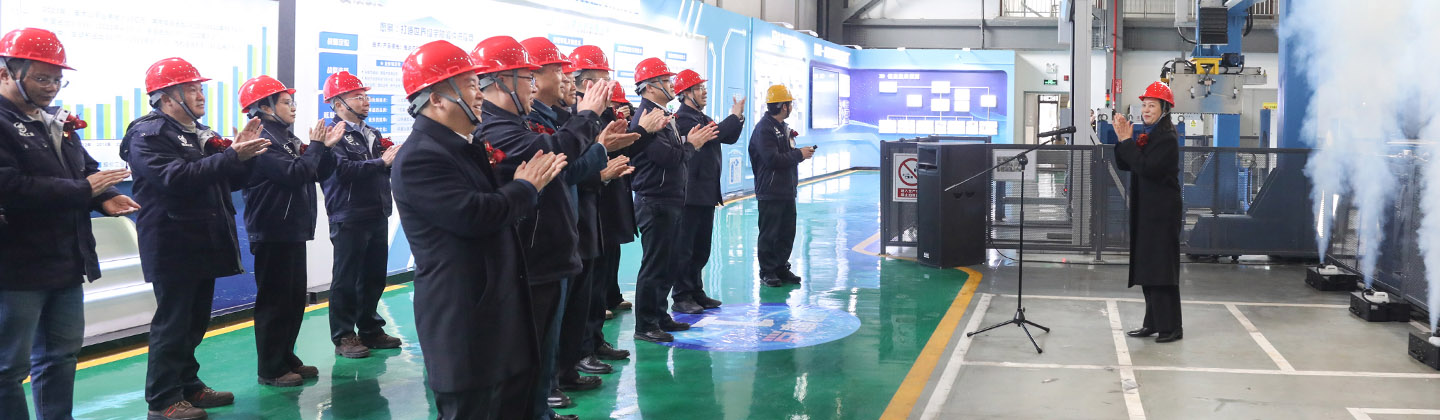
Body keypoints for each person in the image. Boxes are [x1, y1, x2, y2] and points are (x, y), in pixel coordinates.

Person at [392, 39, 567, 419]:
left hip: (492, 314)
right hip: (464, 320)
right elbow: (474, 214)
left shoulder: (460, 147)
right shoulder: (420, 157)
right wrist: (526, 187)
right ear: (436, 99)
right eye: (471, 85)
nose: (479, 95)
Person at [472, 35, 626, 420]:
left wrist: (596, 143)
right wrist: (588, 117)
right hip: (533, 253)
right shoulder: (495, 129)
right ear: (504, 80)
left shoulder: (520, 122)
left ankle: (542, 406)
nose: (539, 83)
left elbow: (562, 161)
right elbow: (558, 152)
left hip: (550, 247)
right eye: (529, 76)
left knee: (544, 342)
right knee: (532, 347)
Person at [0, 27, 139, 420]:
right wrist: (84, 190)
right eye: (42, 79)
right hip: (16, 268)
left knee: (60, 356)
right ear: (6, 73)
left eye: (57, 79)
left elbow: (86, 171)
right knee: (8, 368)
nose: (51, 88)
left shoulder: (56, 122)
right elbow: (9, 186)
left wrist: (103, 197)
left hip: (65, 260)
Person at [122, 57, 270, 420]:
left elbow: (227, 180)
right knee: (174, 323)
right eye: (191, 89)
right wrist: (231, 156)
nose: (200, 95)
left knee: (195, 320)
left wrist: (245, 157)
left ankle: (188, 385)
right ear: (166, 96)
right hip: (172, 241)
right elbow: (175, 178)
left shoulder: (199, 132)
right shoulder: (148, 134)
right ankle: (162, 399)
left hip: (202, 238)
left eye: (200, 88)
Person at [237, 75, 341, 387]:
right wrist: (317, 146)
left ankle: (285, 356)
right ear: (265, 107)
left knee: (293, 299)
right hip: (272, 230)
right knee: (275, 301)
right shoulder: (263, 140)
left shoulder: (285, 136)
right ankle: (270, 368)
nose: (293, 107)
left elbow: (316, 172)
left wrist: (325, 149)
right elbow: (295, 173)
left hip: (292, 229)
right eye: (286, 102)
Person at [627, 57, 717, 343]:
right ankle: (645, 325)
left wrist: (686, 145)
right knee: (654, 265)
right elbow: (667, 157)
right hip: (655, 201)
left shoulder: (661, 115)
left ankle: (659, 315)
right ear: (650, 87)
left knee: (667, 264)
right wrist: (692, 145)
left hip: (669, 199)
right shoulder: (646, 118)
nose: (671, 85)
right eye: (665, 81)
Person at [319, 70, 402, 359]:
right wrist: (382, 162)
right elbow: (342, 171)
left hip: (377, 211)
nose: (365, 101)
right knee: (346, 278)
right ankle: (343, 335)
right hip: (349, 214)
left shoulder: (372, 133)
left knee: (373, 276)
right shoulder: (333, 135)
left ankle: (370, 328)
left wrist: (394, 162)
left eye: (365, 96)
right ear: (338, 103)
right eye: (357, 96)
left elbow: (380, 168)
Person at [568, 47, 640, 374]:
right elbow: (567, 167)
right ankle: (579, 351)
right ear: (585, 82)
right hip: (580, 211)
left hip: (601, 209)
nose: (609, 85)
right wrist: (601, 174)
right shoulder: (574, 118)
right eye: (603, 79)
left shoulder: (599, 116)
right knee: (581, 289)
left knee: (596, 284)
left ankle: (594, 341)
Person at [1112, 81, 1183, 344]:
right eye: (1144, 105)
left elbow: (1146, 168)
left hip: (1162, 213)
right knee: (1148, 266)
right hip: (1147, 211)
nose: (1146, 110)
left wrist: (1127, 142)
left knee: (1161, 268)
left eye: (1152, 105)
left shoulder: (1166, 139)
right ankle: (1152, 322)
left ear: (1165, 109)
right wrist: (1122, 140)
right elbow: (1126, 163)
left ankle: (1171, 327)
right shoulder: (1148, 135)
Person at [670, 69, 744, 314]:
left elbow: (728, 138)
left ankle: (696, 291)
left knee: (701, 248)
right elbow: (716, 133)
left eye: (703, 87)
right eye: (699, 88)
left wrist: (738, 119)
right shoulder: (683, 119)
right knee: (685, 248)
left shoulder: (701, 117)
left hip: (705, 193)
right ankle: (681, 296)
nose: (704, 92)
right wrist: (733, 116)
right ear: (686, 93)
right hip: (690, 194)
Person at [748, 84, 814, 287]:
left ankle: (781, 267)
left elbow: (784, 155)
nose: (791, 107)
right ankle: (767, 271)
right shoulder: (764, 129)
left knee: (786, 232)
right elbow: (772, 159)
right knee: (770, 233)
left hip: (786, 189)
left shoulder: (781, 127)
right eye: (790, 104)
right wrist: (799, 154)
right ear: (784, 106)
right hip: (770, 191)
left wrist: (797, 153)